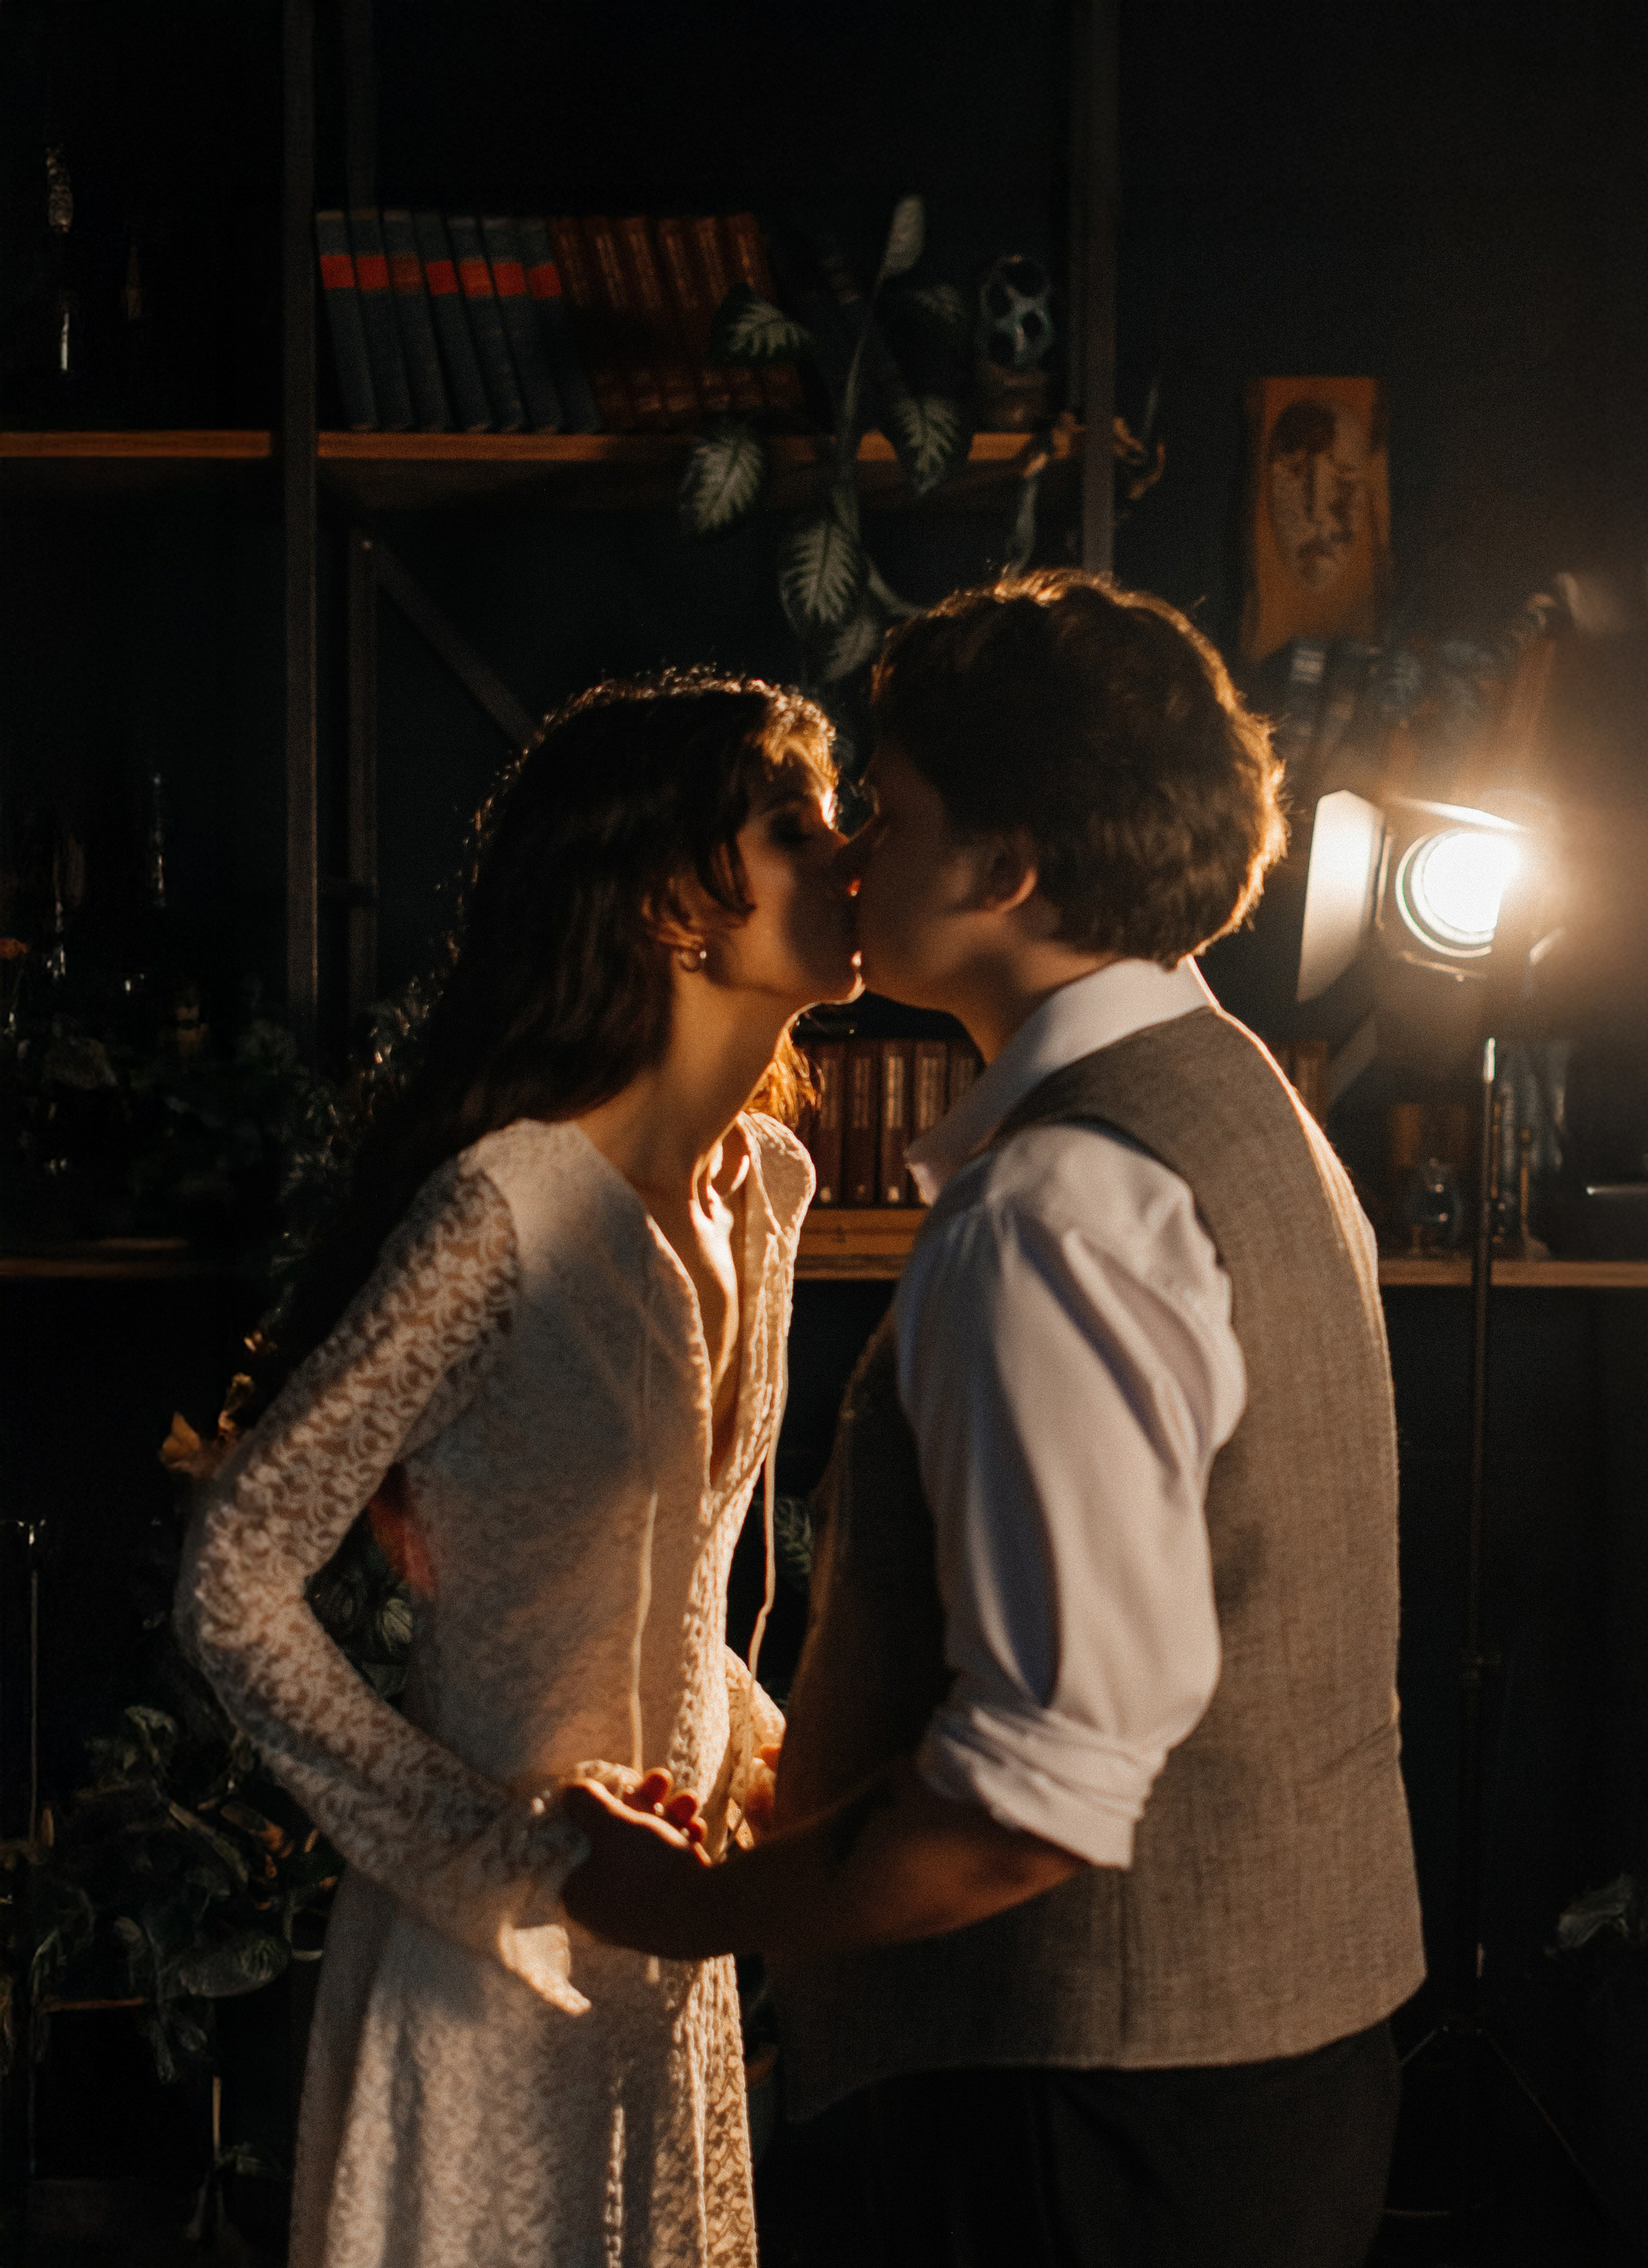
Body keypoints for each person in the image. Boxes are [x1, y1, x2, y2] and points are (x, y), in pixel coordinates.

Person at [564, 572, 1428, 2268]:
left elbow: (1031, 1800)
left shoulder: (1056, 1207)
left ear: (1006, 871)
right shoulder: (1237, 1095)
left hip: (1090, 2120)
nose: (851, 853)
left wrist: (689, 1906)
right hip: (1272, 2074)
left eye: (887, 811)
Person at [174, 670, 858, 2268]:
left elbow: (664, 1583)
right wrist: (500, 1849)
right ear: (670, 904)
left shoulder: (763, 1186)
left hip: (670, 1956)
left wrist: (773, 1754)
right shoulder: (507, 1215)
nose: (850, 854)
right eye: (796, 826)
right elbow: (232, 1574)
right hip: (481, 1981)